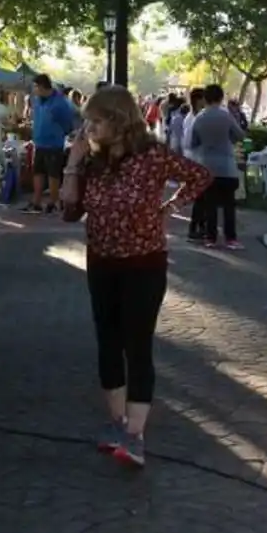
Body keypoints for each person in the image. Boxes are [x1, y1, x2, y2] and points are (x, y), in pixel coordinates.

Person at [61, 86, 211, 468]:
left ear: (118, 120)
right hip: (102, 261)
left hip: (144, 263)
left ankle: (135, 435)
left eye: (95, 121)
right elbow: (68, 210)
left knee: (137, 344)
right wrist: (73, 163)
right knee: (108, 342)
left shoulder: (152, 155)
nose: (88, 128)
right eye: (87, 121)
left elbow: (200, 177)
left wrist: (170, 207)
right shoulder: (93, 161)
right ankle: (118, 423)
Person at [189, 83, 247, 250]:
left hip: (207, 166)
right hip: (227, 166)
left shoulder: (199, 118)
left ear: (205, 99)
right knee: (229, 204)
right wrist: (228, 140)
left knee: (210, 204)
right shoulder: (226, 116)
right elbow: (240, 135)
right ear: (221, 98)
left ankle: (210, 237)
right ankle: (231, 238)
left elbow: (193, 143)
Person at [24, 73, 78, 214]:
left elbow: (68, 121)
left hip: (54, 144)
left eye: (35, 86)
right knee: (38, 172)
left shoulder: (59, 102)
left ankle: (54, 201)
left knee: (53, 174)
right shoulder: (37, 101)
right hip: (39, 142)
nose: (34, 90)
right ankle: (36, 201)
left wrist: (62, 133)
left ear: (42, 86)